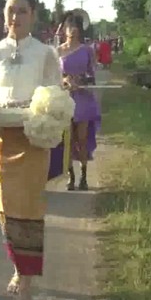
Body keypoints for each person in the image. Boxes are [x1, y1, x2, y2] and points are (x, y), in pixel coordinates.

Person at [0, 0, 62, 300]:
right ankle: (17, 265)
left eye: (22, 11)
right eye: (10, 10)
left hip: (33, 141)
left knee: (30, 209)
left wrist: (44, 117)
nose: (15, 17)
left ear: (33, 15)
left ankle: (25, 285)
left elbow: (55, 96)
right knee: (7, 210)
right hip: (2, 141)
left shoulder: (47, 53)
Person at [57, 11, 101, 191]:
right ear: (64, 29)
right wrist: (65, 81)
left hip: (83, 100)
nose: (72, 30)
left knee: (81, 139)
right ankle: (70, 176)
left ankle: (83, 175)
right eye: (69, 26)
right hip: (64, 99)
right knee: (67, 140)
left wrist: (80, 80)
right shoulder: (58, 51)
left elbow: (93, 76)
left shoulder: (87, 50)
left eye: (75, 26)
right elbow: (52, 76)